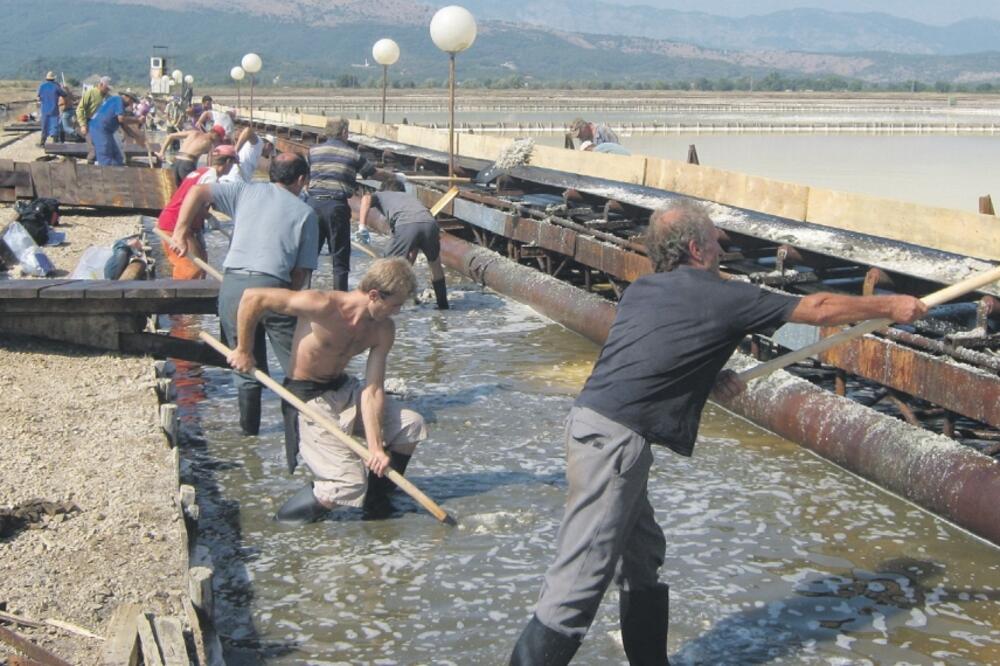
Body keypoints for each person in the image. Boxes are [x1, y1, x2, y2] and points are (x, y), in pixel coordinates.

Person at [508, 200, 927, 665]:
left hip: (593, 428)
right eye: (715, 240)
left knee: (642, 557)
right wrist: (890, 304)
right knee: (576, 586)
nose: (721, 250)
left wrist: (707, 377)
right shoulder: (723, 294)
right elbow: (820, 308)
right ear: (696, 248)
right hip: (615, 445)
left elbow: (654, 354)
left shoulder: (643, 290)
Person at [225, 257, 427, 522]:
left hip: (343, 388)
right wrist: (244, 349)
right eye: (395, 305)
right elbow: (253, 297)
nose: (397, 312)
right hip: (306, 397)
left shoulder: (383, 329)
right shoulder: (323, 304)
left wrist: (377, 449)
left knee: (411, 425)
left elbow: (373, 390)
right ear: (375, 295)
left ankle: (376, 505)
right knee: (349, 483)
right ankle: (281, 523)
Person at [171, 152, 319, 436]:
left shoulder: (244, 190)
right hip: (274, 287)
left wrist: (179, 232)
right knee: (299, 367)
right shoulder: (306, 213)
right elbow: (300, 275)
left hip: (233, 287)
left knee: (246, 364)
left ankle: (249, 437)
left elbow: (198, 191)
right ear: (301, 180)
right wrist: (284, 302)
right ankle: (304, 433)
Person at [307, 117, 377, 291]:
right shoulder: (353, 154)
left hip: (312, 205)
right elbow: (372, 173)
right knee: (339, 260)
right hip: (335, 207)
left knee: (307, 257)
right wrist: (394, 178)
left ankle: (301, 299)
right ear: (344, 132)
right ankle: (340, 302)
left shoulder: (312, 151)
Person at [357, 179, 449, 309]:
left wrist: (362, 227)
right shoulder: (409, 198)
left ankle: (375, 305)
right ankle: (443, 306)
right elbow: (415, 246)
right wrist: (407, 269)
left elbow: (366, 199)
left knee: (386, 266)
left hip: (406, 224)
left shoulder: (381, 194)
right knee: (435, 263)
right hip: (430, 223)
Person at [156, 145, 241, 279]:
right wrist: (209, 216)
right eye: (233, 164)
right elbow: (193, 205)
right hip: (174, 225)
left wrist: (208, 216)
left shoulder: (201, 171)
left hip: (176, 223)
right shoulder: (211, 178)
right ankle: (181, 297)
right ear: (228, 162)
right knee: (190, 269)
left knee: (201, 263)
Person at [89, 92, 145, 167]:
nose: (131, 104)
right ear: (127, 97)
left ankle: (119, 173)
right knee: (105, 157)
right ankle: (107, 175)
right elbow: (121, 119)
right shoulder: (118, 101)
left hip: (107, 132)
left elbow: (124, 126)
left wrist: (137, 137)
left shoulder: (119, 106)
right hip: (99, 130)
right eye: (132, 101)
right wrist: (138, 120)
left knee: (117, 157)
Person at [159, 125, 225, 185]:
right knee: (191, 190)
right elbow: (210, 162)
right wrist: (213, 175)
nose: (218, 141)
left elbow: (170, 136)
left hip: (176, 162)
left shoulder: (193, 132)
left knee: (174, 190)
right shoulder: (210, 144)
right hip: (187, 165)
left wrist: (162, 152)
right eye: (219, 139)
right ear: (216, 134)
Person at [77, 76, 112, 163]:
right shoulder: (91, 93)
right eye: (106, 88)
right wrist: (83, 125)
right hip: (89, 123)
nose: (107, 90)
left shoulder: (108, 97)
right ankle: (89, 166)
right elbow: (80, 109)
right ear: (100, 85)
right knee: (93, 148)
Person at [37, 72, 67, 146]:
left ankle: (42, 142)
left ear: (46, 78)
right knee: (54, 125)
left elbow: (38, 97)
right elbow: (64, 94)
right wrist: (63, 88)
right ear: (54, 79)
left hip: (44, 109)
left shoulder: (42, 86)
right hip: (54, 109)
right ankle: (55, 142)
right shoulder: (56, 86)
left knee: (45, 125)